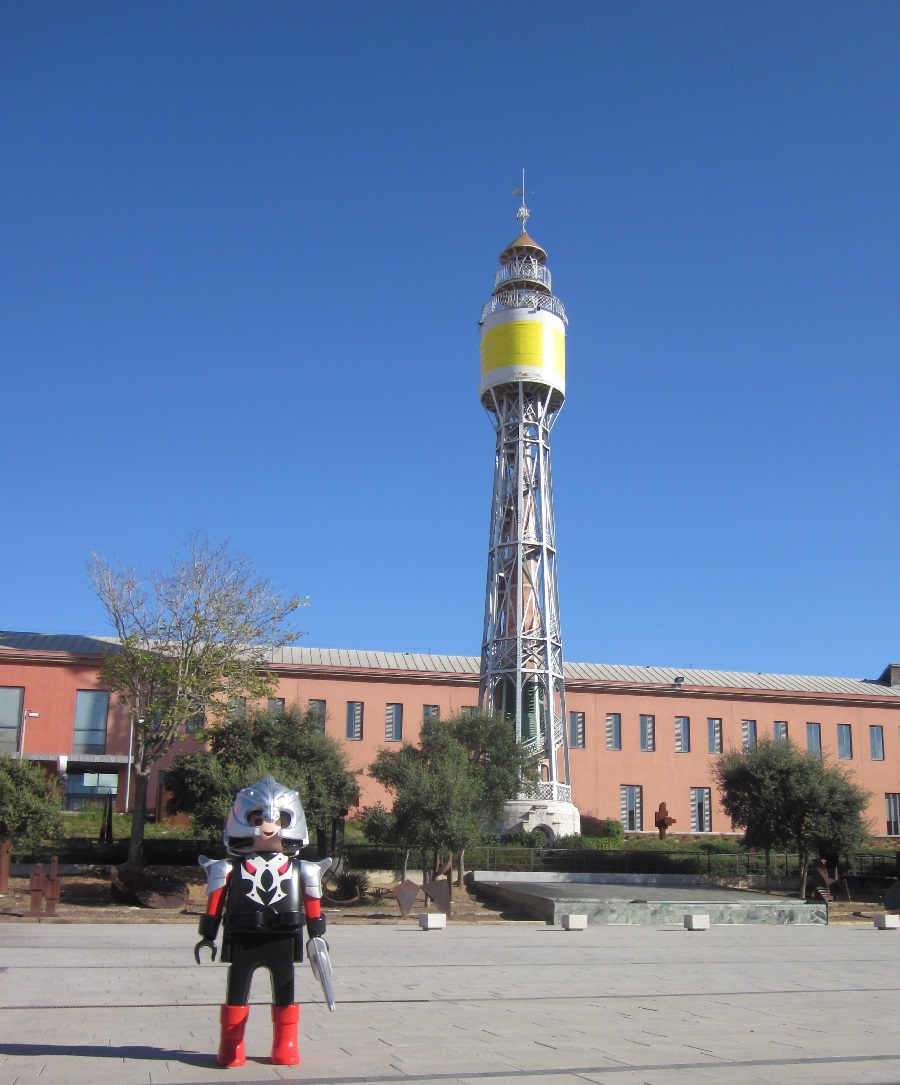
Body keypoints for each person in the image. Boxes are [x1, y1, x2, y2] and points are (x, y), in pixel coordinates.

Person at [194, 775, 329, 1067]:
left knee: (285, 989)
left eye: (279, 818)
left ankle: (286, 1044)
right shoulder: (227, 868)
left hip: (284, 936)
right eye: (256, 817)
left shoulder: (303, 869)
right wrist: (208, 933)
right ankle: (231, 1046)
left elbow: (313, 904)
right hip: (242, 936)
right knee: (237, 989)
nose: (268, 825)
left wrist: (316, 933)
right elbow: (214, 903)